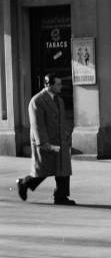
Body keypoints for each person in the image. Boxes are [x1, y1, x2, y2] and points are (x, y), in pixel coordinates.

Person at [16, 73, 75, 205]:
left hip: (60, 141)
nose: (61, 86)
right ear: (49, 84)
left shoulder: (59, 100)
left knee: (63, 170)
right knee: (43, 170)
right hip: (46, 141)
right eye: (58, 84)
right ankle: (24, 183)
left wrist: (65, 135)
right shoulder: (37, 101)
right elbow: (37, 124)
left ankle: (61, 197)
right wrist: (43, 142)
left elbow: (62, 120)